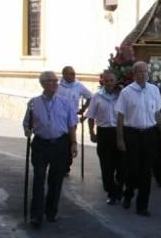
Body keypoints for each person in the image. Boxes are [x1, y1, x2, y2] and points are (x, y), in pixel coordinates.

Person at [22, 71, 78, 228]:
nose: (55, 84)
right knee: (39, 178)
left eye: (56, 81)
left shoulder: (64, 102)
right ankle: (36, 215)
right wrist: (27, 130)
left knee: (56, 180)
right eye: (51, 81)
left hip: (60, 144)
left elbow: (71, 124)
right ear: (43, 83)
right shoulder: (33, 103)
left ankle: (51, 212)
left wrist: (73, 143)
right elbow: (27, 123)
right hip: (41, 144)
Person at [115, 61, 161, 216]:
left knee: (146, 171)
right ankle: (128, 193)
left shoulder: (154, 90)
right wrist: (120, 139)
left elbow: (157, 114)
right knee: (133, 169)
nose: (143, 74)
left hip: (149, 134)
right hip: (132, 134)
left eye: (145, 71)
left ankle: (142, 206)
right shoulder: (126, 92)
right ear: (134, 73)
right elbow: (120, 117)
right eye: (139, 72)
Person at [86, 70, 125, 205]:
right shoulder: (97, 96)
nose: (109, 83)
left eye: (112, 80)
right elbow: (90, 117)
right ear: (103, 81)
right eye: (106, 80)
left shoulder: (122, 95)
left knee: (121, 166)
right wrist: (92, 133)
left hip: (119, 132)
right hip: (103, 133)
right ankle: (111, 191)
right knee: (106, 166)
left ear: (116, 81)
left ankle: (119, 190)